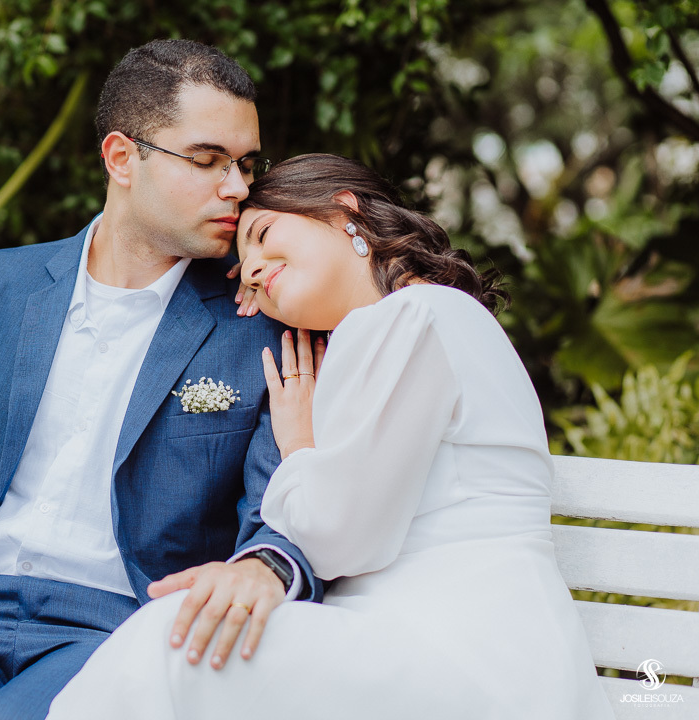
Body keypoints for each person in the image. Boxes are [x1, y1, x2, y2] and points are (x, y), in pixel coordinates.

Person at [0, 40, 324, 720]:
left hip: (123, 628)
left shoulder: (257, 319)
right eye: (208, 161)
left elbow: (282, 505)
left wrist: (266, 566)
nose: (236, 187)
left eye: (245, 164)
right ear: (122, 158)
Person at [47, 153, 615, 719]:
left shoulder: (417, 316)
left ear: (345, 211)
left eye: (265, 233)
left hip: (472, 653)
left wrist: (297, 447)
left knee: (176, 639)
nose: (250, 269)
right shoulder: (398, 326)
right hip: (406, 636)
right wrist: (275, 276)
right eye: (241, 266)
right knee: (189, 633)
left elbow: (341, 538)